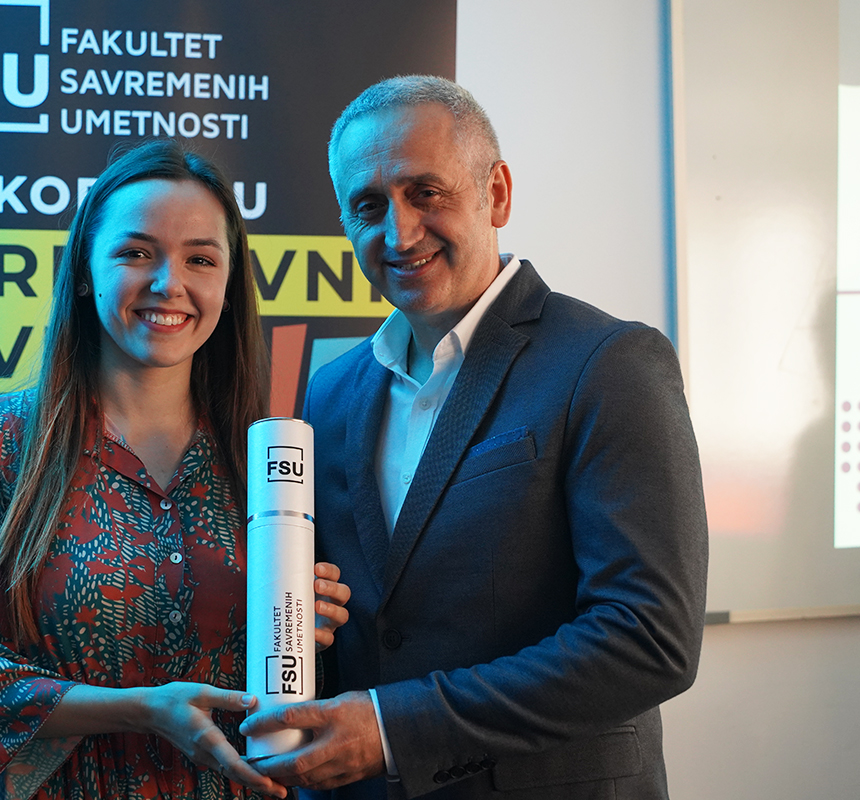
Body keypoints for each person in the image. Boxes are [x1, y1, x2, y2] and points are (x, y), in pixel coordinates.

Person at [240, 76, 709, 799]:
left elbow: (649, 638)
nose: (398, 234)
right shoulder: (328, 394)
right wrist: (310, 616)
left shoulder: (609, 363)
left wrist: (394, 729)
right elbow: (376, 622)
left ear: (497, 194)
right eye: (369, 206)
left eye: (425, 192)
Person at [0, 139, 350, 800]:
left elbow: (300, 695)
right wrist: (140, 709)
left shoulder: (270, 459)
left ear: (228, 286)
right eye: (137, 253)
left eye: (200, 258)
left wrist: (304, 625)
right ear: (86, 270)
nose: (169, 283)